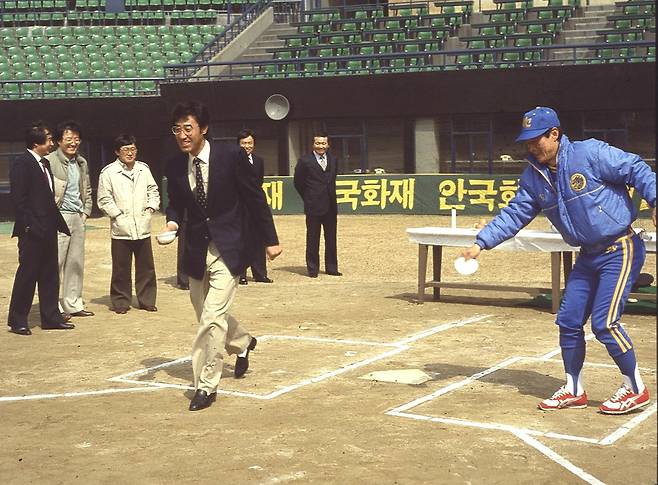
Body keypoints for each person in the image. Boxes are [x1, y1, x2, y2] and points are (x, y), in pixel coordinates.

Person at [462, 107, 656, 415]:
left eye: (536, 140)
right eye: (527, 142)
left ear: (554, 134)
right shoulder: (533, 177)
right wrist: (481, 243)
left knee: (605, 323)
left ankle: (635, 388)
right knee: (568, 321)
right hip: (588, 255)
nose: (531, 147)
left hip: (620, 247)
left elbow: (635, 167)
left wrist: (655, 199)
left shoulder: (589, 153)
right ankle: (574, 388)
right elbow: (515, 214)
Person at [163, 101, 282, 411]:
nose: (182, 135)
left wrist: (270, 240)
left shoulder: (231, 156)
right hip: (196, 249)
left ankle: (205, 385)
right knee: (205, 313)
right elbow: (175, 203)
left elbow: (254, 198)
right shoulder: (175, 164)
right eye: (176, 129)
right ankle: (243, 342)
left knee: (212, 319)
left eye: (188, 128)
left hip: (229, 248)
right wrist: (172, 223)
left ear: (203, 128)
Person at [7, 122, 75, 335]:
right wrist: (29, 226)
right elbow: (19, 200)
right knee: (27, 276)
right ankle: (18, 320)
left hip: (48, 229)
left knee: (49, 275)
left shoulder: (44, 163)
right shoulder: (22, 163)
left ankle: (51, 317)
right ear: (36, 143)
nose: (52, 143)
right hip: (32, 232)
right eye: (49, 139)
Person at [97, 134, 160, 314]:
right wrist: (117, 215)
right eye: (125, 150)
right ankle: (120, 302)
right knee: (121, 268)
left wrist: (151, 208)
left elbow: (153, 190)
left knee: (146, 267)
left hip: (142, 225)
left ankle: (147, 300)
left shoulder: (143, 169)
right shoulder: (108, 172)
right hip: (121, 228)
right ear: (117, 152)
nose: (130, 153)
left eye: (133, 149)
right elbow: (104, 198)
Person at [47, 120, 95, 318]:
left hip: (77, 217)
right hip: (59, 217)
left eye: (76, 139)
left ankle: (73, 304)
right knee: (55, 262)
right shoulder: (49, 161)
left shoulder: (81, 162)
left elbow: (87, 189)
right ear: (59, 141)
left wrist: (85, 213)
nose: (73, 142)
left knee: (75, 262)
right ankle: (53, 307)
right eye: (68, 138)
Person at [293, 131, 341, 278]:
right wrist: (308, 197)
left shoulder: (333, 159)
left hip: (330, 205)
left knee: (331, 239)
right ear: (313, 144)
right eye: (318, 143)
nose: (321, 146)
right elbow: (298, 182)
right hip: (313, 205)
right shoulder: (305, 161)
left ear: (328, 144)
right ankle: (313, 269)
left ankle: (331, 268)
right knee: (313, 239)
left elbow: (332, 179)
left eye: (323, 143)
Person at [237, 128, 274, 285]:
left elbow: (259, 182)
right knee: (242, 240)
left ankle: (260, 273)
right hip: (239, 205)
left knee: (258, 239)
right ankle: (241, 274)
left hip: (256, 206)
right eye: (244, 143)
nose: (247, 146)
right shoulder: (233, 161)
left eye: (250, 143)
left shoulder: (259, 161)